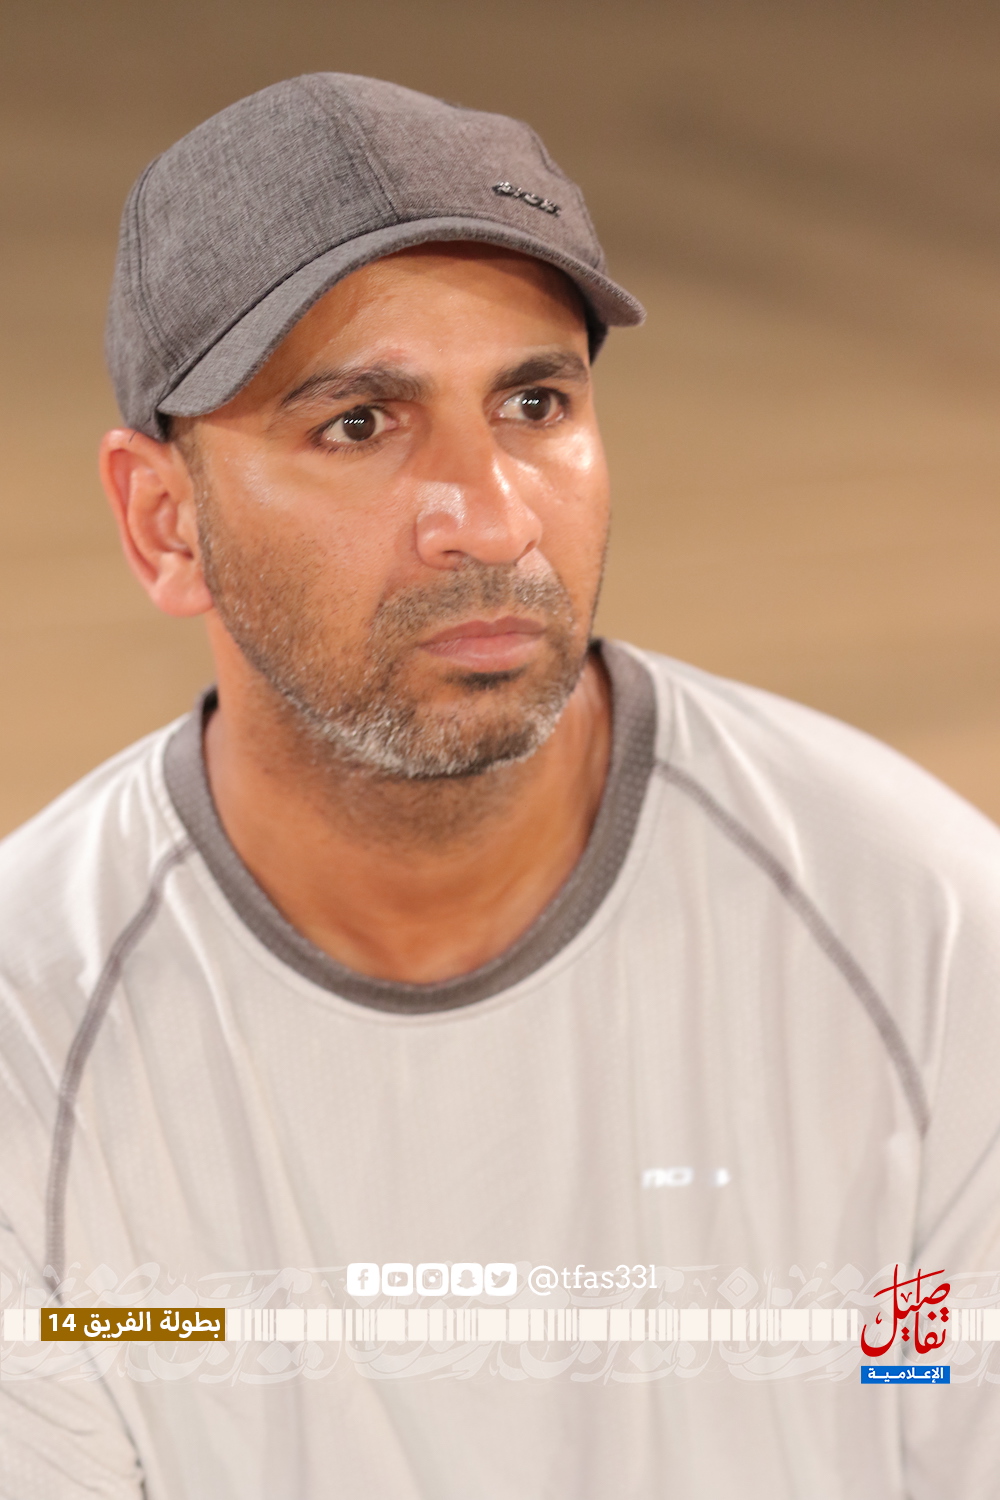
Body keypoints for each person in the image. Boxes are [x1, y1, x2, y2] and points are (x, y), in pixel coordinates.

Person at [1, 72, 998, 1500]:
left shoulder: (925, 938)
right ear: (165, 523)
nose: (489, 516)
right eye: (360, 424)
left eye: (535, 403)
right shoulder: (29, 1047)